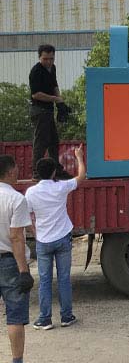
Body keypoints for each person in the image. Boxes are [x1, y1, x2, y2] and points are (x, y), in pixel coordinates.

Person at [25, 145, 85, 330]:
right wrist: (79, 157)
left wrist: (35, 232)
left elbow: (27, 217)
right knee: (64, 278)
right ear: (53, 172)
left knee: (44, 281)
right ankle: (66, 316)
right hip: (63, 237)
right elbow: (81, 177)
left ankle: (45, 319)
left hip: (43, 240)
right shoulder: (61, 187)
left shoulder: (31, 192)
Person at [0, 155, 35, 363]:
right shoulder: (16, 199)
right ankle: (17, 360)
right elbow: (16, 237)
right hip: (9, 263)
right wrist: (23, 271)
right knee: (14, 317)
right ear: (11, 171)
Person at [29, 44, 71, 180]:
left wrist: (60, 102)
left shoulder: (52, 68)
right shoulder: (36, 71)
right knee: (41, 142)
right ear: (39, 57)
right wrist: (55, 99)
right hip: (39, 110)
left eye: (51, 59)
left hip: (48, 111)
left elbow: (54, 85)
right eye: (45, 59)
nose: (48, 62)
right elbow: (36, 94)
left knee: (53, 141)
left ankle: (56, 170)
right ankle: (36, 172)